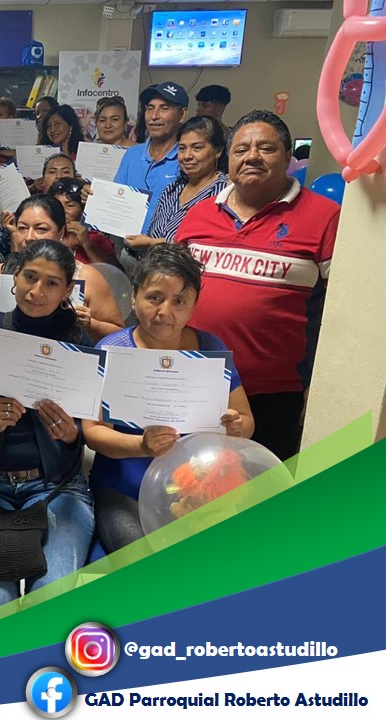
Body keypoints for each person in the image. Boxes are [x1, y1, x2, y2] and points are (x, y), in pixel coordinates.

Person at [175, 110, 339, 460]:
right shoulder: (199, 214)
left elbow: (341, 310)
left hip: (274, 393)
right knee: (190, 482)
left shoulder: (325, 217)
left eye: (266, 148)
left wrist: (321, 382)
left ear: (288, 157)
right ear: (228, 159)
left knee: (262, 487)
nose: (251, 156)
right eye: (241, 149)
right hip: (195, 380)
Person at [82, 245, 254, 551]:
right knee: (141, 559)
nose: (165, 312)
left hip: (196, 492)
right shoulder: (112, 350)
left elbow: (246, 420)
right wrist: (142, 445)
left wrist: (235, 427)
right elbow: (93, 432)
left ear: (193, 306)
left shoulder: (209, 348)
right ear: (134, 297)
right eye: (154, 298)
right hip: (124, 490)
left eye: (179, 301)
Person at [0, 240, 94, 615]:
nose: (37, 291)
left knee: (49, 597)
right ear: (15, 278)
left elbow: (89, 425)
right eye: (30, 277)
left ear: (68, 290)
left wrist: (72, 434)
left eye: (52, 283)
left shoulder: (77, 341)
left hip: (57, 485)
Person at [0, 195, 125, 342]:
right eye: (22, 228)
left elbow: (120, 336)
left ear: (61, 232)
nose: (29, 237)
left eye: (41, 229)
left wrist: (91, 324)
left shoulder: (88, 277)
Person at [124, 116, 229, 257]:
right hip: (150, 265)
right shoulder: (172, 189)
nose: (187, 156)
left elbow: (208, 245)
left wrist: (152, 243)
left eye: (197, 148)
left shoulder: (224, 194)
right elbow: (153, 233)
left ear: (218, 151)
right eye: (182, 148)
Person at [113, 82, 190, 230]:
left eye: (164, 108)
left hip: (169, 244)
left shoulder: (187, 159)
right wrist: (94, 195)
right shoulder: (132, 154)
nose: (154, 116)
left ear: (182, 114)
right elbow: (116, 201)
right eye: (150, 108)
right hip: (127, 242)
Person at [47, 179, 118, 266]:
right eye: (57, 205)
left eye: (70, 205)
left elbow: (113, 273)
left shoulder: (97, 239)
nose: (62, 211)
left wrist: (87, 244)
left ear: (82, 210)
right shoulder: (43, 235)